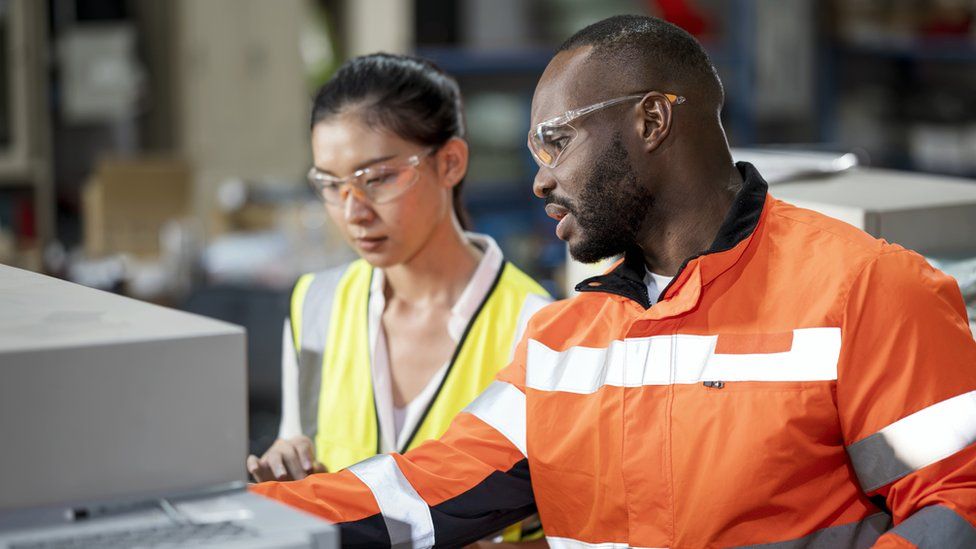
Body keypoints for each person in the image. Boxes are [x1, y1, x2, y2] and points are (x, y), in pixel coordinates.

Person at [251, 16, 976, 548]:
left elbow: (960, 499)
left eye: (556, 141)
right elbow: (422, 489)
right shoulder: (563, 340)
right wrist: (235, 517)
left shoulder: (866, 290)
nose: (540, 178)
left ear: (653, 120)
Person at [245, 53, 551, 542]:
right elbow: (300, 440)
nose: (353, 211)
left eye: (377, 178)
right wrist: (292, 468)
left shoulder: (536, 326)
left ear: (450, 162)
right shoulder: (315, 304)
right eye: (330, 184)